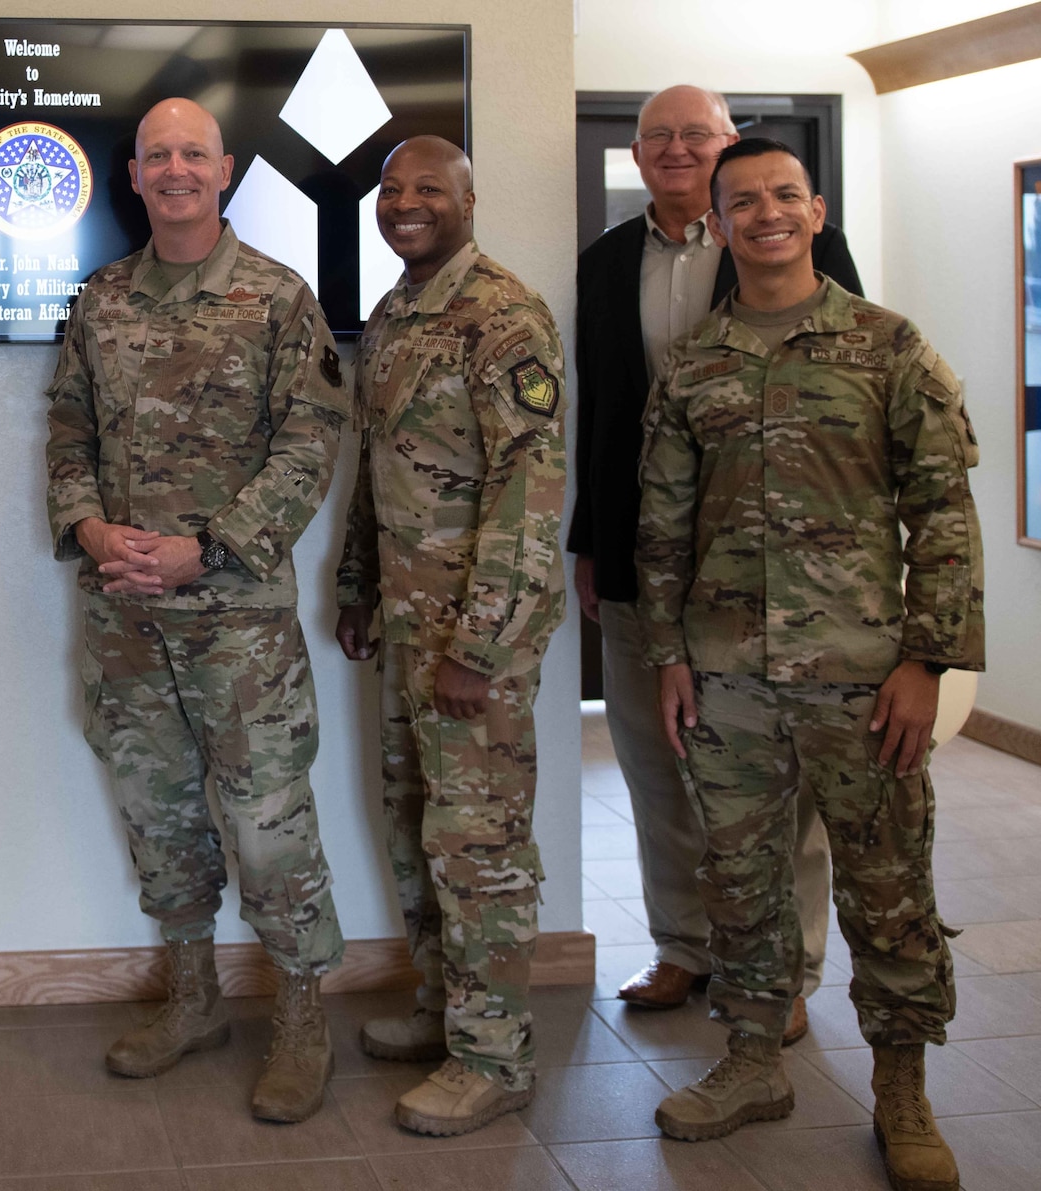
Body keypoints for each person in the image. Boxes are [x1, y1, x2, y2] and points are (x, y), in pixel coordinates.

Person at [637, 140, 979, 1191]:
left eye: (783, 195)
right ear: (722, 223)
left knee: (887, 889)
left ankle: (900, 1090)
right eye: (744, 202)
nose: (766, 213)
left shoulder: (886, 347)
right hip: (726, 678)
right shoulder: (692, 364)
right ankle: (749, 1061)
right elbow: (662, 524)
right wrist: (665, 656)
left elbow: (942, 512)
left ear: (815, 211)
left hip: (860, 677)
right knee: (738, 882)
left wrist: (928, 661)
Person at [46, 97, 349, 1124]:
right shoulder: (98, 301)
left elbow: (310, 446)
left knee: (267, 831)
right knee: (159, 822)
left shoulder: (276, 299)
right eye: (156, 155)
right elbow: (66, 433)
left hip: (237, 625)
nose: (174, 169)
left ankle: (302, 1017)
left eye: (193, 154)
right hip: (124, 621)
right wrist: (89, 532)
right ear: (132, 176)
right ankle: (191, 1000)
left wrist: (202, 551)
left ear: (223, 171)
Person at [571, 86, 862, 1034]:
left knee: (783, 775)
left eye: (696, 134)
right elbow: (602, 414)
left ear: (729, 145)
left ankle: (788, 970)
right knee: (654, 762)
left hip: (773, 555)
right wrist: (590, 542)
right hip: (638, 553)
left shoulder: (789, 242)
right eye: (657, 136)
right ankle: (683, 949)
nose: (675, 149)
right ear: (639, 155)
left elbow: (846, 388)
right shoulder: (608, 261)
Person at [335, 136, 567, 1137]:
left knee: (477, 845)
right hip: (402, 621)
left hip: (473, 639)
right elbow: (375, 463)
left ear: (469, 200)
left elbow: (528, 492)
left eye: (429, 187)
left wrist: (480, 643)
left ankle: (494, 1056)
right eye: (390, 189)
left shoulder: (502, 314)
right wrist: (353, 583)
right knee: (413, 827)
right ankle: (443, 1010)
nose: (404, 203)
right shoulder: (395, 311)